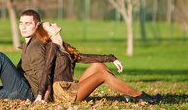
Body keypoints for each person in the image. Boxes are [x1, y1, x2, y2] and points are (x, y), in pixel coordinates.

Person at [34, 22, 162, 104]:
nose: (54, 23)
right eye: (50, 25)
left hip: (70, 86)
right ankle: (139, 96)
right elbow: (47, 70)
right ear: (48, 34)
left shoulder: (64, 47)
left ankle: (125, 92)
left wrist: (111, 58)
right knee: (103, 75)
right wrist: (40, 94)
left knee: (98, 66)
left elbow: (86, 57)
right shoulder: (52, 47)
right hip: (63, 92)